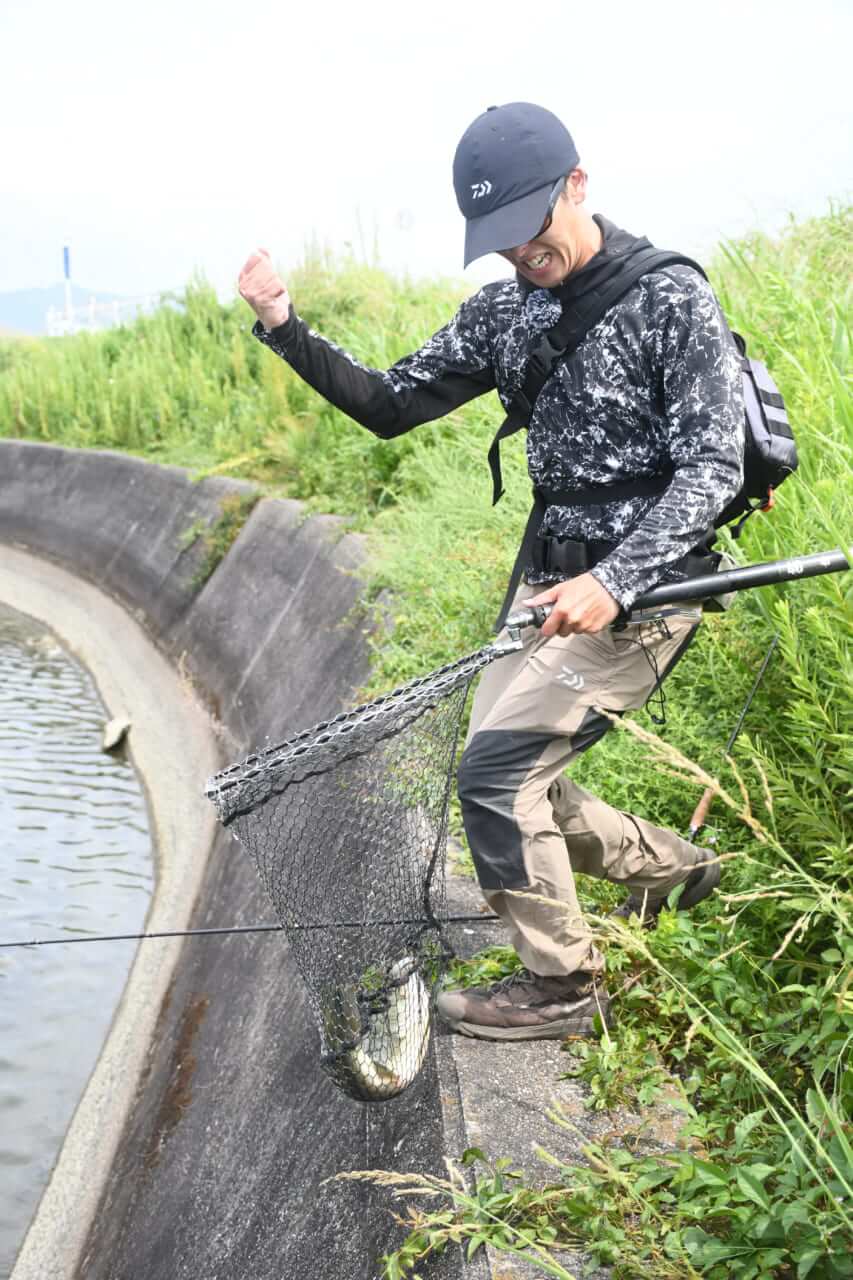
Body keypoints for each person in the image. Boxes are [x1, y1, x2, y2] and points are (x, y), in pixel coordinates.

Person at [238, 102, 744, 1042]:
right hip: (546, 586)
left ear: (577, 185)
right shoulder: (504, 311)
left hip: (645, 594)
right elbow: (389, 404)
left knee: (496, 775)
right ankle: (676, 872)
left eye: (531, 228)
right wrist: (285, 324)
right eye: (500, 240)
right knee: (521, 783)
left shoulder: (669, 298)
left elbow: (712, 467)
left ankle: (562, 986)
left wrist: (617, 581)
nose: (521, 254)